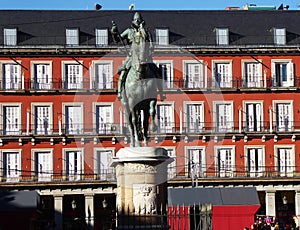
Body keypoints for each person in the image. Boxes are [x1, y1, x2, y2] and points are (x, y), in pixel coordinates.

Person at [111, 12, 154, 100]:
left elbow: (151, 46)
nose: (137, 21)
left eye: (138, 19)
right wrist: (114, 32)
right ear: (133, 21)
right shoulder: (128, 31)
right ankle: (120, 91)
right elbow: (117, 40)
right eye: (135, 19)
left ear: (142, 21)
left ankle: (160, 91)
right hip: (132, 56)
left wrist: (148, 51)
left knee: (156, 71)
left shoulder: (147, 32)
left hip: (145, 56)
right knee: (123, 72)